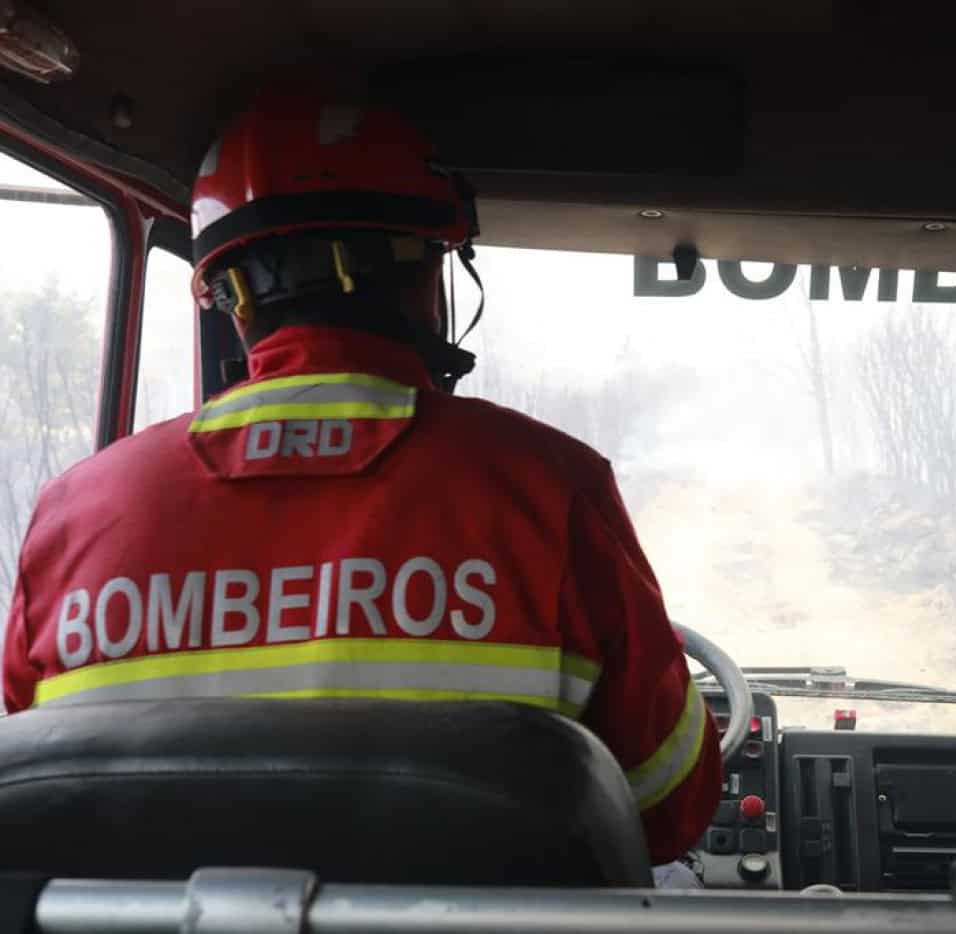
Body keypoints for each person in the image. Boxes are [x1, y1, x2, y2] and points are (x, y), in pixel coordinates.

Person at [1, 88, 720, 867]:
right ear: (427, 282)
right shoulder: (547, 488)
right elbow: (666, 808)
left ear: (228, 300)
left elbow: (30, 795)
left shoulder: (72, 513)